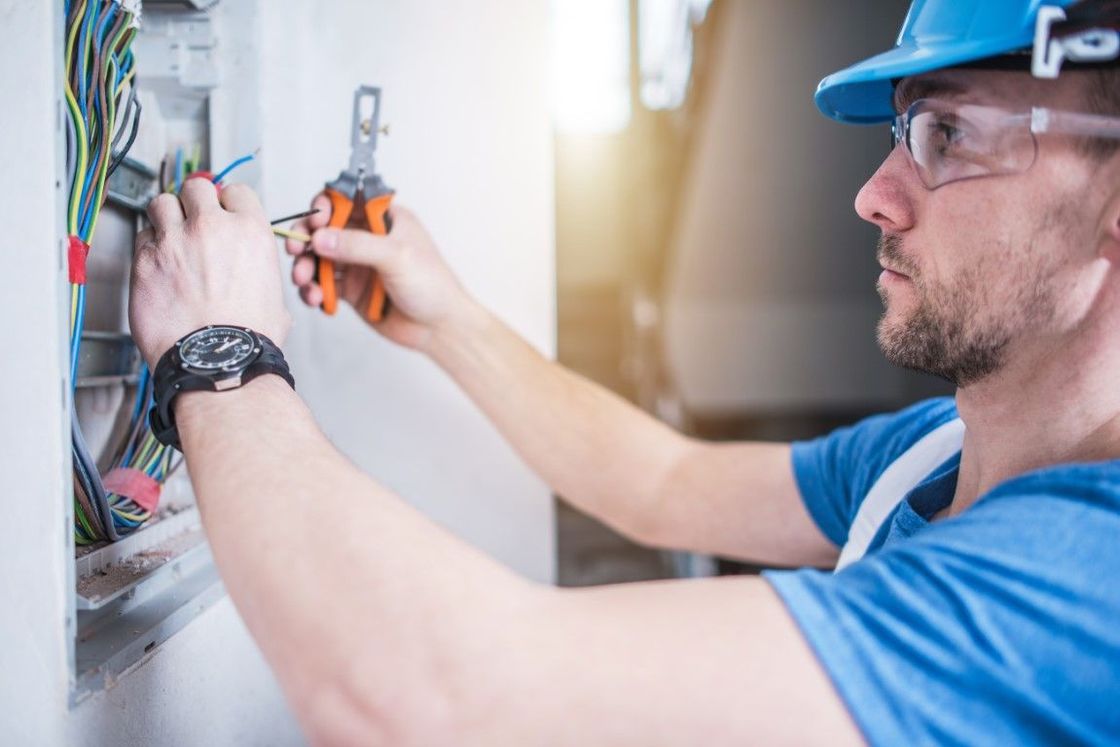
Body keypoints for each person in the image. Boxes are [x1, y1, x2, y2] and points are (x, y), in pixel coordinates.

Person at [128, 0, 1120, 743]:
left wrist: (220, 360)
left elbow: (429, 693)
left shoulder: (1086, 586)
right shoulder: (934, 455)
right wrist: (447, 317)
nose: (871, 194)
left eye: (948, 135)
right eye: (899, 131)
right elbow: (663, 484)